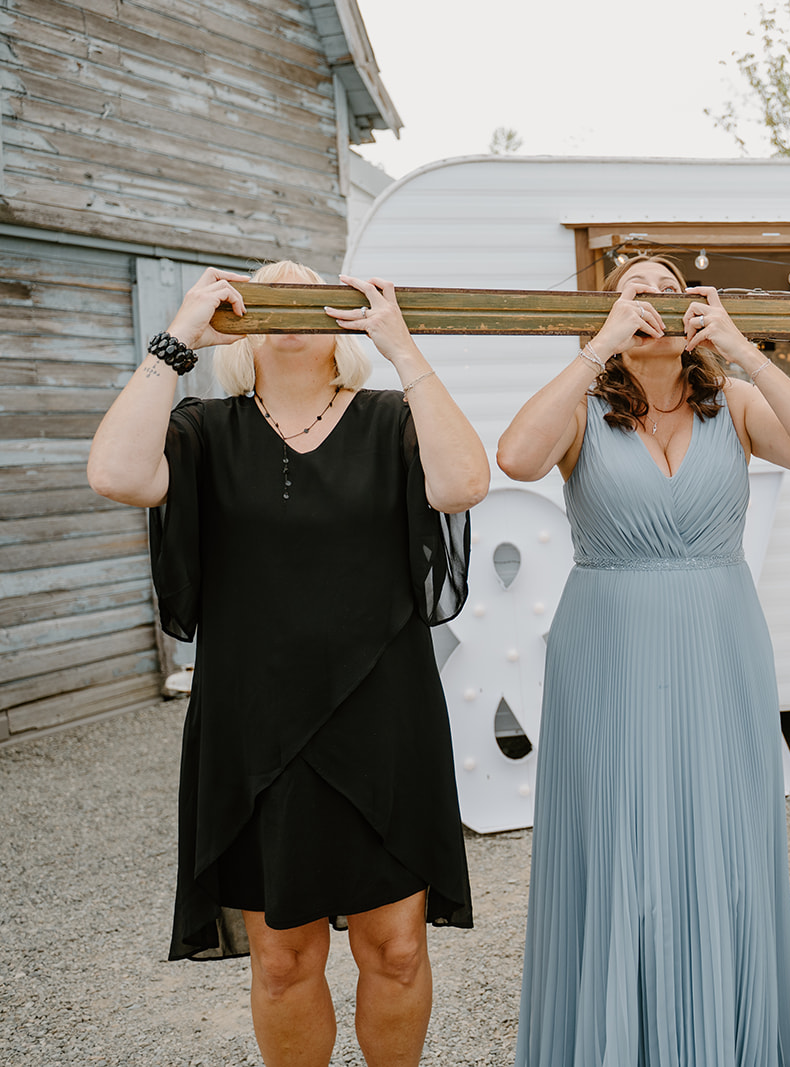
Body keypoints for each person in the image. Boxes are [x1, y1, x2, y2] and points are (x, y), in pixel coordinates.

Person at [87, 261, 489, 1067]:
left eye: (311, 292)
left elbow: (464, 482)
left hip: (385, 715)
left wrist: (404, 348)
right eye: (269, 297)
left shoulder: (388, 419)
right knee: (283, 956)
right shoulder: (204, 429)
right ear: (242, 325)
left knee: (398, 947)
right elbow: (116, 473)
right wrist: (178, 339)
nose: (292, 310)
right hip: (256, 720)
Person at [497, 253, 790, 1067]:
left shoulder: (735, 402)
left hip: (720, 639)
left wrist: (744, 347)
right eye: (633, 288)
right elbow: (515, 459)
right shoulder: (583, 404)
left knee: (719, 833)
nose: (652, 298)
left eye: (666, 286)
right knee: (619, 833)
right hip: (609, 646)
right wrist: (596, 347)